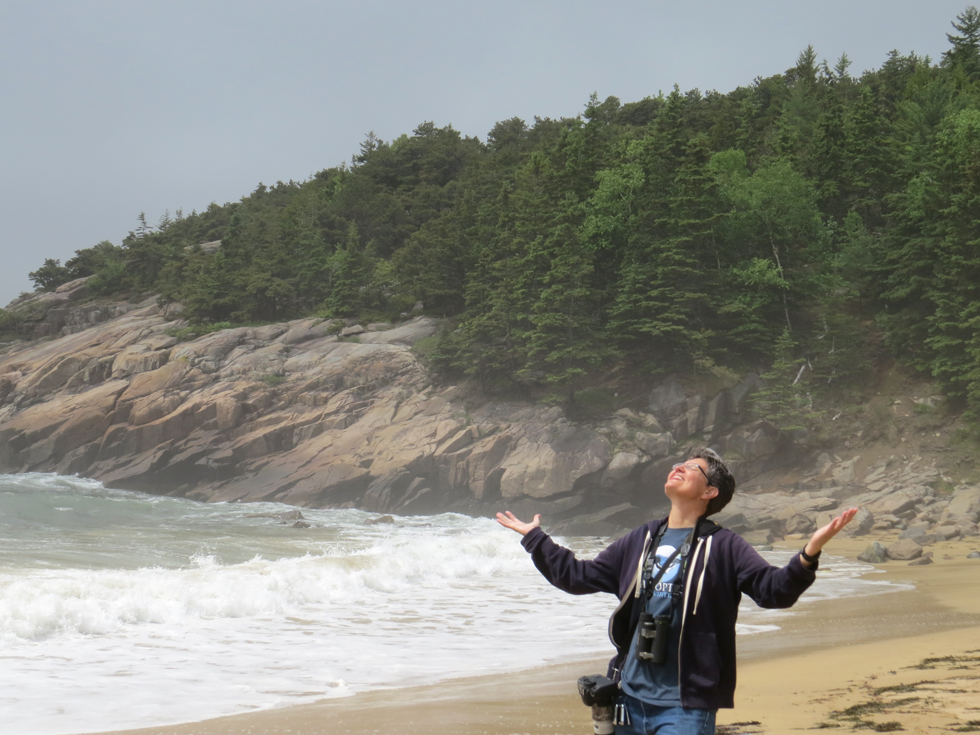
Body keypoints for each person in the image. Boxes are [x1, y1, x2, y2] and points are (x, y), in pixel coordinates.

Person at [496, 447, 858, 735]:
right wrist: (536, 540)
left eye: (692, 468)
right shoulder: (642, 539)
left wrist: (809, 554)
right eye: (678, 464)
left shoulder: (725, 547)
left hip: (685, 706)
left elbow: (773, 591)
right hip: (628, 697)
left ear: (710, 492)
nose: (678, 468)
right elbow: (577, 576)